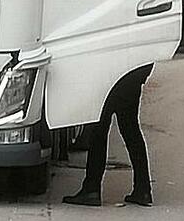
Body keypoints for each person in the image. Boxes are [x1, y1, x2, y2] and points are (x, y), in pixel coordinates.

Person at [63, 64, 153, 207]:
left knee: (98, 131)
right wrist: (140, 77)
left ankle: (92, 189)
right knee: (131, 130)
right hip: (132, 77)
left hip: (108, 76)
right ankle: (143, 189)